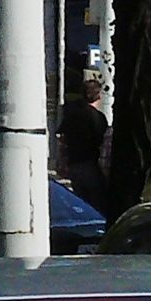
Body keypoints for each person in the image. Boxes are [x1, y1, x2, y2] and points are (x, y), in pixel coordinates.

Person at [57, 77, 109, 215]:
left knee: (81, 201)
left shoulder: (71, 114)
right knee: (97, 204)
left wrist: (62, 161)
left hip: (74, 164)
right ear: (98, 96)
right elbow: (103, 145)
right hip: (91, 165)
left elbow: (62, 139)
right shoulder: (98, 118)